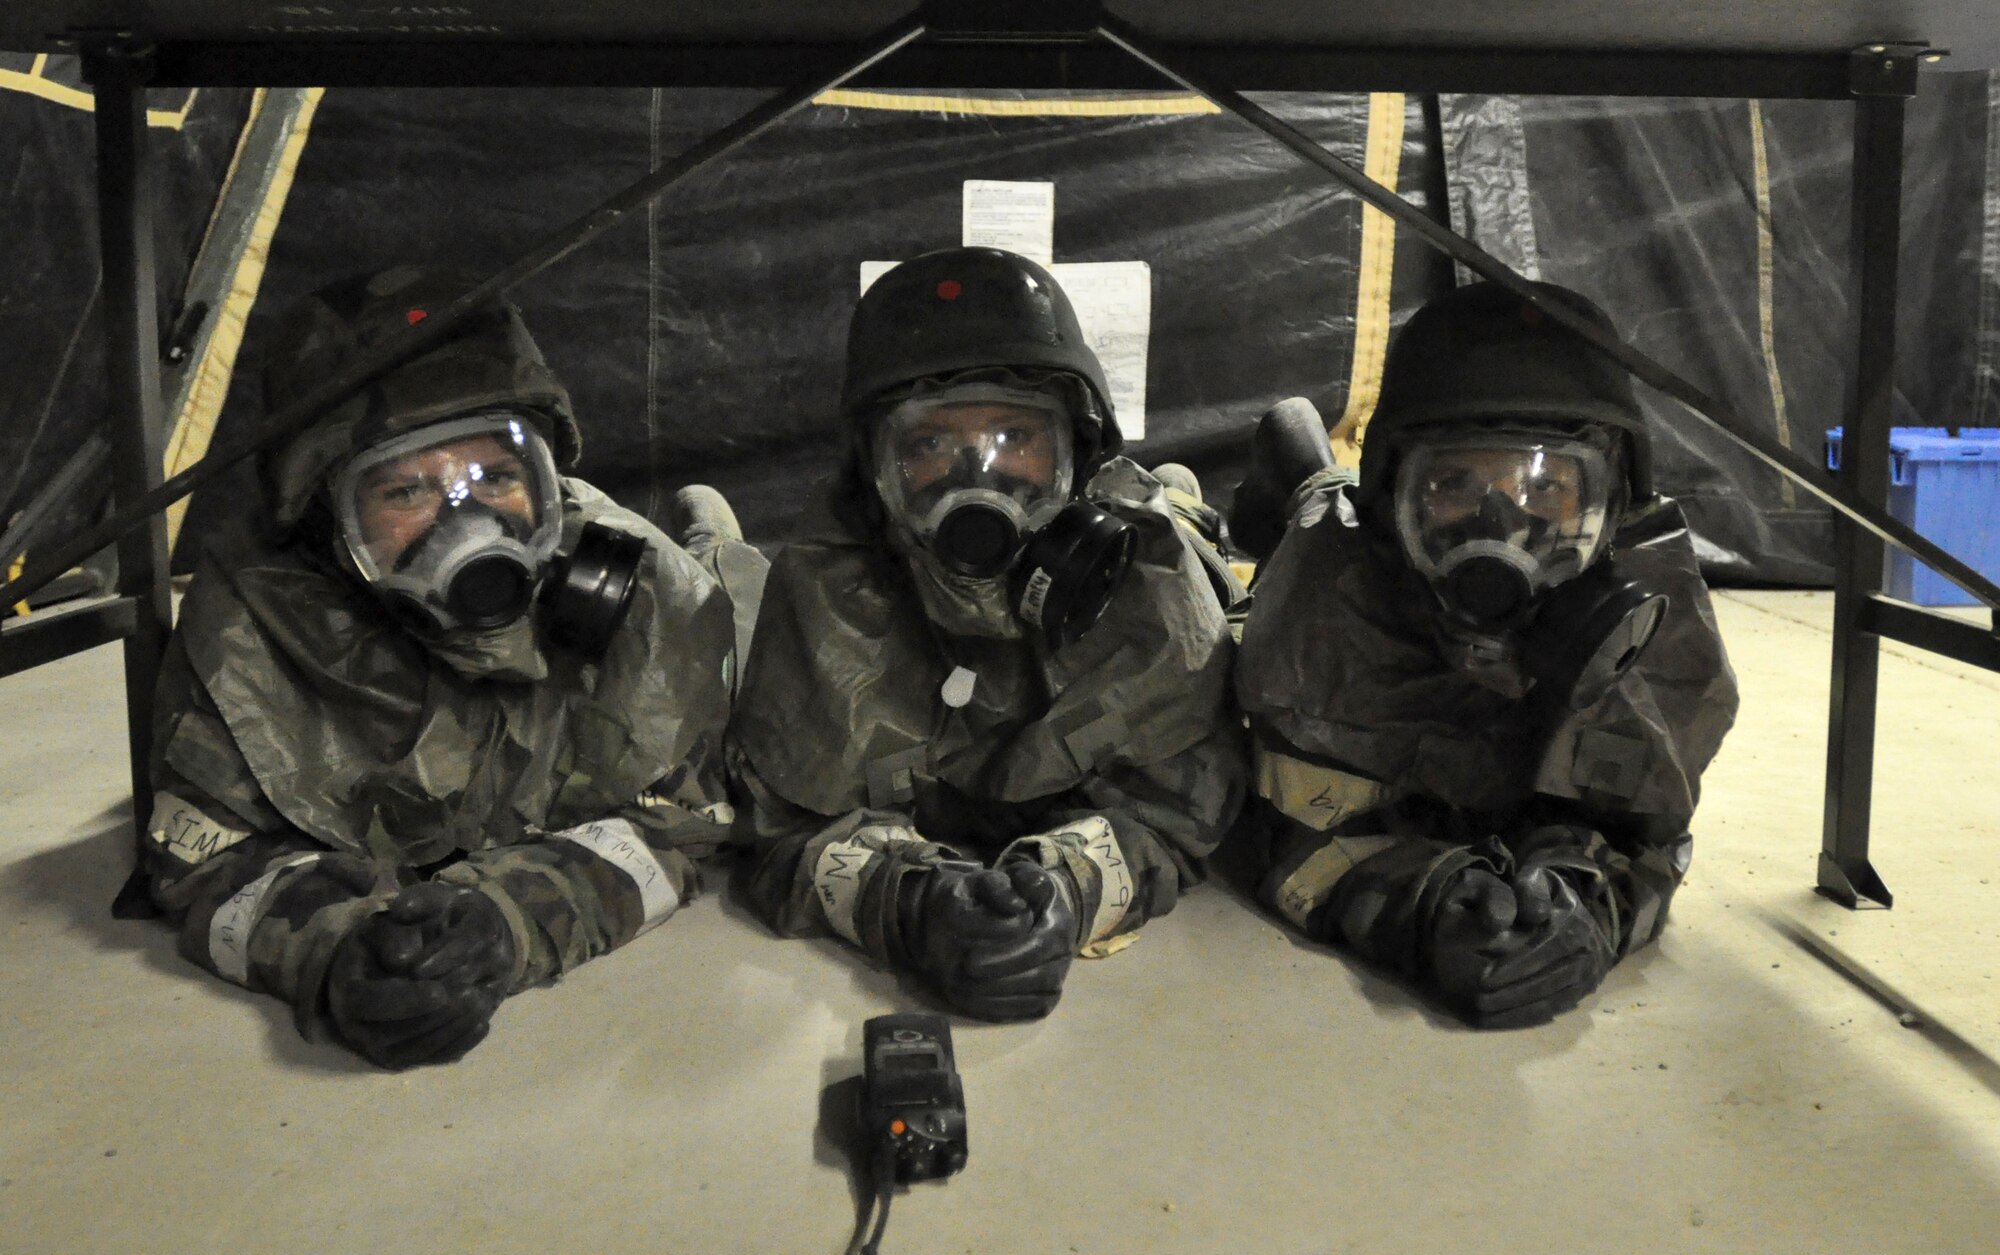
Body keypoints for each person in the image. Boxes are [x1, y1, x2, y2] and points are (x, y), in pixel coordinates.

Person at [137, 267, 748, 1068]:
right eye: (407, 491)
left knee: (738, 598)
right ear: (329, 521)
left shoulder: (646, 587)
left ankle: (717, 535)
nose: (468, 520)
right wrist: (339, 951)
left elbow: (685, 824)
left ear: (548, 480)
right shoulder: (254, 621)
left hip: (726, 591)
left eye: (497, 476)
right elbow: (202, 860)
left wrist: (511, 919)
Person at [727, 246, 1247, 1021]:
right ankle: (715, 532)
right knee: (731, 588)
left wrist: (1067, 888)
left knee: (1192, 535)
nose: (978, 476)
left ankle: (1208, 486)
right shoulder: (828, 579)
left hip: (1162, 537)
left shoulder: (1150, 580)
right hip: (790, 587)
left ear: (1077, 455)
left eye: (1015, 437)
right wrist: (912, 904)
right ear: (876, 474)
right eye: (930, 444)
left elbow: (1175, 813)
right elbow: (785, 826)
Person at [1232, 280, 1739, 1028]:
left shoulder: (1651, 614)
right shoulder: (1327, 597)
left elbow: (1648, 834)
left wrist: (1582, 913)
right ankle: (1304, 472)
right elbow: (1297, 836)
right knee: (1312, 510)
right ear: (1393, 501)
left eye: (1549, 489)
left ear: (1613, 512)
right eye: (1453, 485)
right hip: (1329, 531)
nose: (1502, 527)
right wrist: (1425, 904)